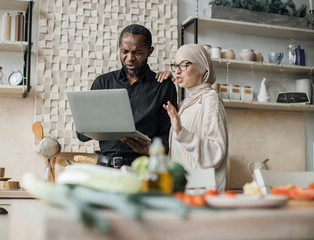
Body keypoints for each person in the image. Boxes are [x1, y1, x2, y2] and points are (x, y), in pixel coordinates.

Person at [77, 24, 177, 169]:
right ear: (119, 48)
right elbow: (82, 135)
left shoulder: (163, 86)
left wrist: (150, 148)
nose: (129, 58)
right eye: (125, 51)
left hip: (143, 169)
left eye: (137, 52)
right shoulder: (103, 82)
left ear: (150, 52)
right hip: (104, 168)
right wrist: (95, 123)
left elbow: (170, 136)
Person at [162, 44, 228, 192]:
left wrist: (181, 131)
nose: (178, 71)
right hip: (183, 192)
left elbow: (215, 153)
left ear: (202, 66)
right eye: (175, 65)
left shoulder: (210, 100)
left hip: (202, 194)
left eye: (184, 65)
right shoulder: (185, 105)